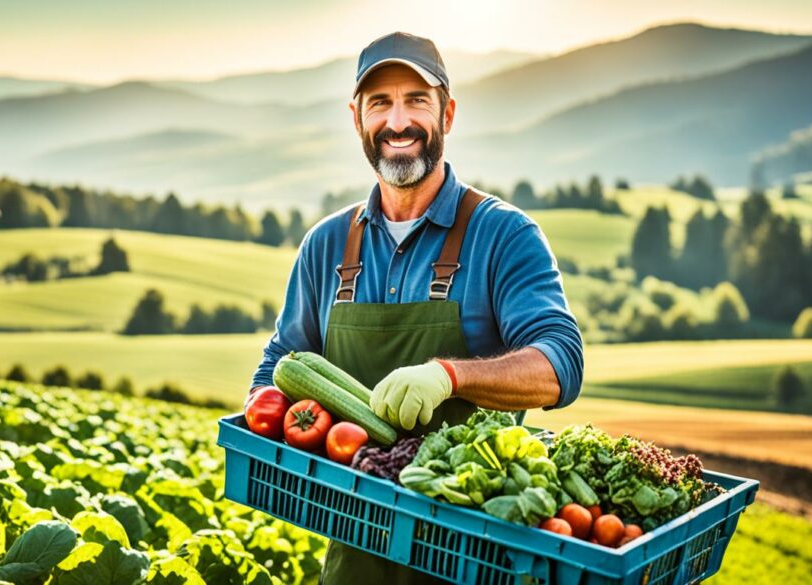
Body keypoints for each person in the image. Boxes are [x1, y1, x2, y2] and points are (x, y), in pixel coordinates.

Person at [249, 31, 584, 584]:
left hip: (473, 556)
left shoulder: (504, 236)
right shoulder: (326, 246)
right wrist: (258, 426)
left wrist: (449, 375)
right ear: (356, 118)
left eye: (416, 100)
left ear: (447, 113)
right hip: (354, 554)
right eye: (379, 102)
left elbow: (561, 363)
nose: (397, 122)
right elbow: (283, 362)